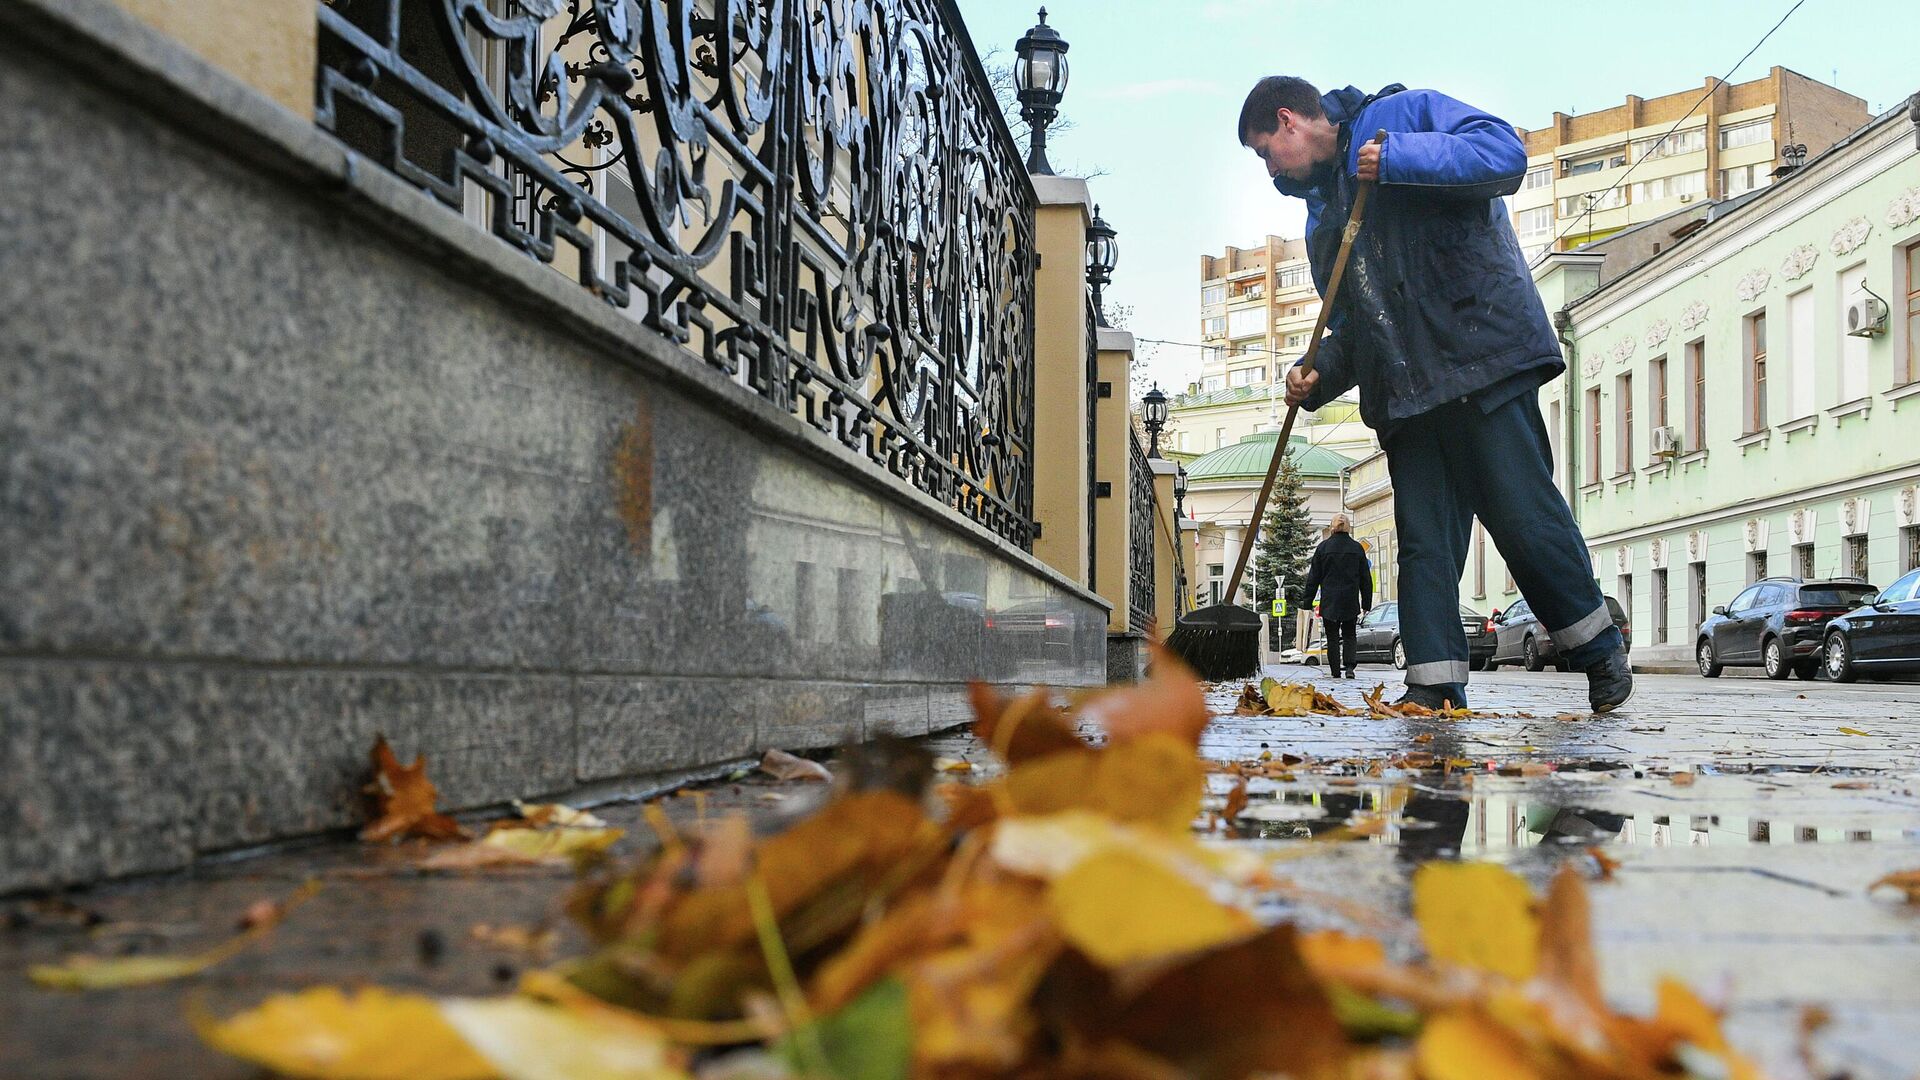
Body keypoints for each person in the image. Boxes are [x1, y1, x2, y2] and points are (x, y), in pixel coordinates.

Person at [1238, 76, 1632, 713]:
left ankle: (1597, 648)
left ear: (1289, 120)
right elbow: (1355, 326)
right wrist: (1318, 375)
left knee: (1522, 517)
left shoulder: (1402, 117)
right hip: (1406, 398)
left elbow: (1503, 153)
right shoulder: (1321, 220)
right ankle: (1432, 687)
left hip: (1479, 358)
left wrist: (1397, 159)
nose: (1269, 168)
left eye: (1265, 152)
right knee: (1423, 544)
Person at [1299, 515, 1370, 678]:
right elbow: (1365, 579)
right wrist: (1366, 603)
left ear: (1332, 528)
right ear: (1348, 528)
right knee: (1349, 634)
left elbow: (1313, 578)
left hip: (1330, 601)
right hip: (1350, 599)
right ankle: (1350, 667)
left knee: (1332, 637)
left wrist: (1307, 602)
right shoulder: (1357, 548)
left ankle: (1335, 671)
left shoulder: (1323, 548)